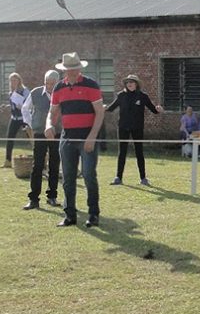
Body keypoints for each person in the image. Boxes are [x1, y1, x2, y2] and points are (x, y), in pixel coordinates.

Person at [45, 52, 105, 228]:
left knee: (88, 175)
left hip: (87, 137)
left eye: (74, 69)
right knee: (68, 177)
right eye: (68, 69)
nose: (71, 72)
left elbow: (100, 112)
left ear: (80, 68)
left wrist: (92, 137)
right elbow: (52, 112)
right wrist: (49, 124)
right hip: (67, 137)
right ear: (64, 70)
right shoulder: (58, 88)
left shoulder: (91, 85)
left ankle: (93, 214)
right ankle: (69, 215)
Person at [106, 74, 163, 186]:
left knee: (139, 152)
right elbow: (111, 108)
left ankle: (143, 178)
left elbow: (154, 110)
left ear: (136, 84)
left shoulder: (143, 96)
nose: (130, 84)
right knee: (122, 152)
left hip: (137, 127)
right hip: (123, 127)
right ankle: (118, 177)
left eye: (132, 82)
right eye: (128, 82)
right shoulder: (121, 95)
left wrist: (158, 109)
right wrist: (102, 107)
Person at [21, 70, 61, 209]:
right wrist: (31, 124)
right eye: (47, 83)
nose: (49, 86)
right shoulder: (35, 93)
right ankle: (33, 199)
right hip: (39, 133)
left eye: (52, 84)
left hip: (57, 132)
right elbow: (25, 108)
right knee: (37, 165)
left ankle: (52, 196)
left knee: (54, 164)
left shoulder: (62, 93)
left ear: (58, 82)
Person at [1, 72, 30, 168]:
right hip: (14, 118)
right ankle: (8, 161)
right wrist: (7, 106)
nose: (13, 82)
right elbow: (14, 104)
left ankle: (41, 159)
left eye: (15, 80)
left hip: (24, 118)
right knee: (9, 138)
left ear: (19, 80)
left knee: (31, 137)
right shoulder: (11, 92)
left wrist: (21, 106)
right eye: (11, 80)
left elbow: (30, 104)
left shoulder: (25, 91)